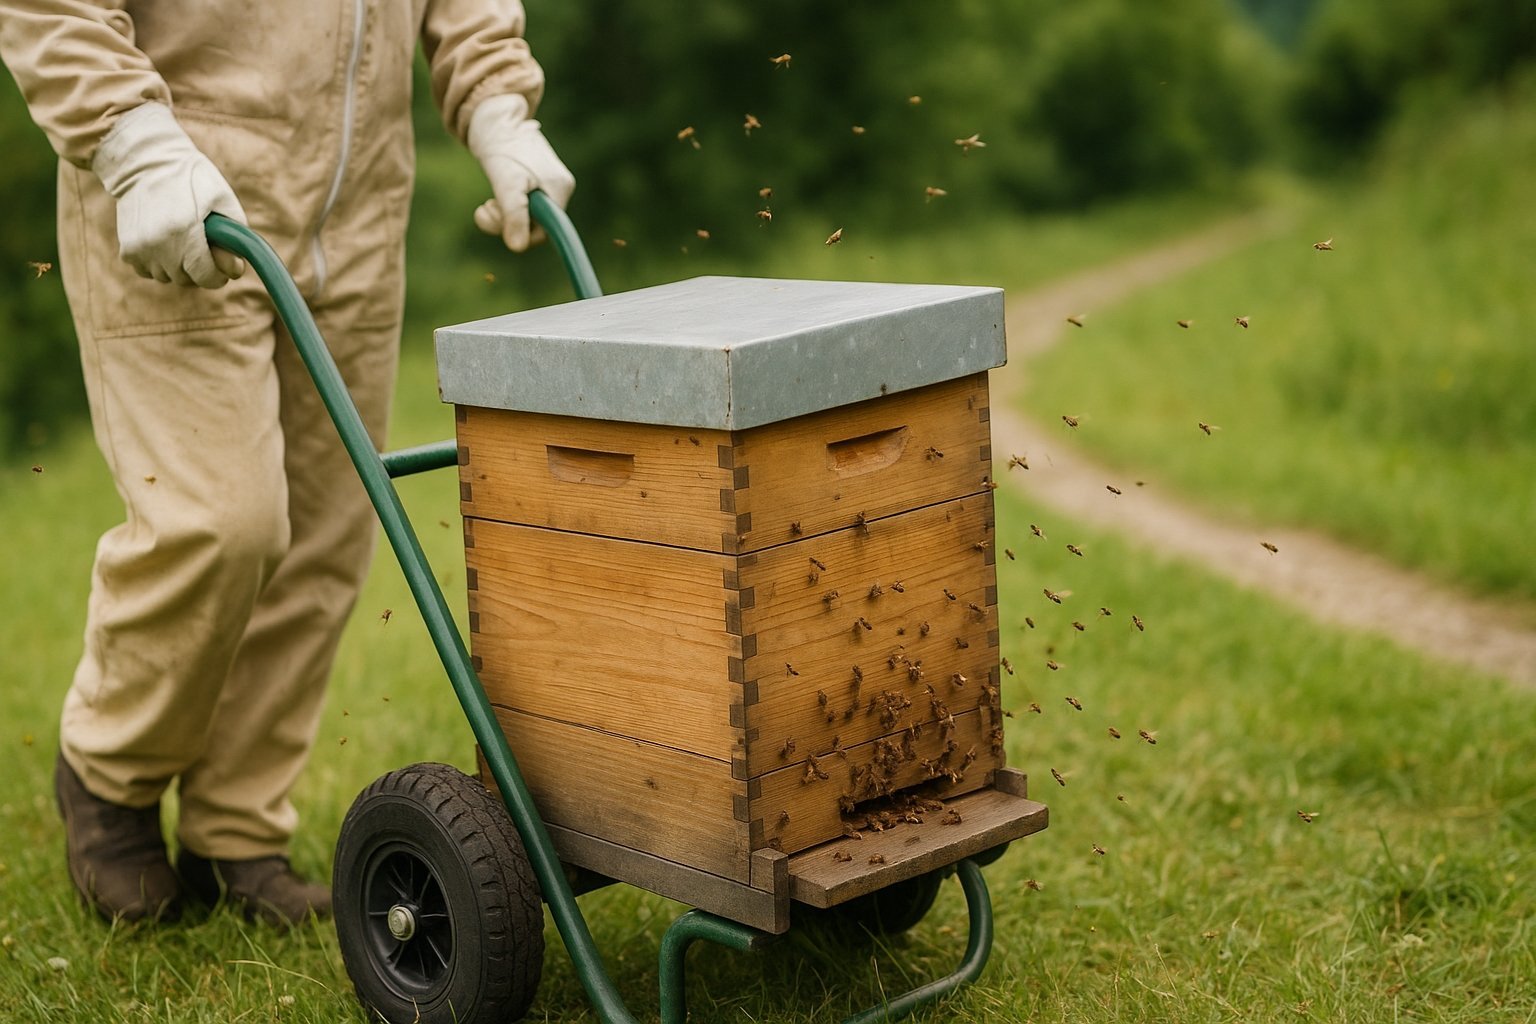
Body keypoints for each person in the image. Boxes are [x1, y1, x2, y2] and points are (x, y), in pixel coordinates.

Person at [0, 0, 574, 927]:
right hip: (177, 196)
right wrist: (129, 137)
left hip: (354, 218)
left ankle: (236, 825)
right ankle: (112, 773)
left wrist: (500, 103)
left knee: (326, 534)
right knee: (220, 521)